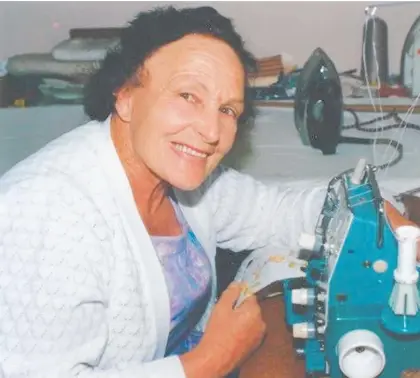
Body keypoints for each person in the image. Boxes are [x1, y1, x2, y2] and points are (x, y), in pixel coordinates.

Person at [0, 5, 418, 378]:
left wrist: (363, 212)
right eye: (187, 96)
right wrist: (208, 363)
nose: (212, 131)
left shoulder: (183, 181)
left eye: (227, 109)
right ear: (125, 95)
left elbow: (275, 212)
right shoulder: (47, 213)